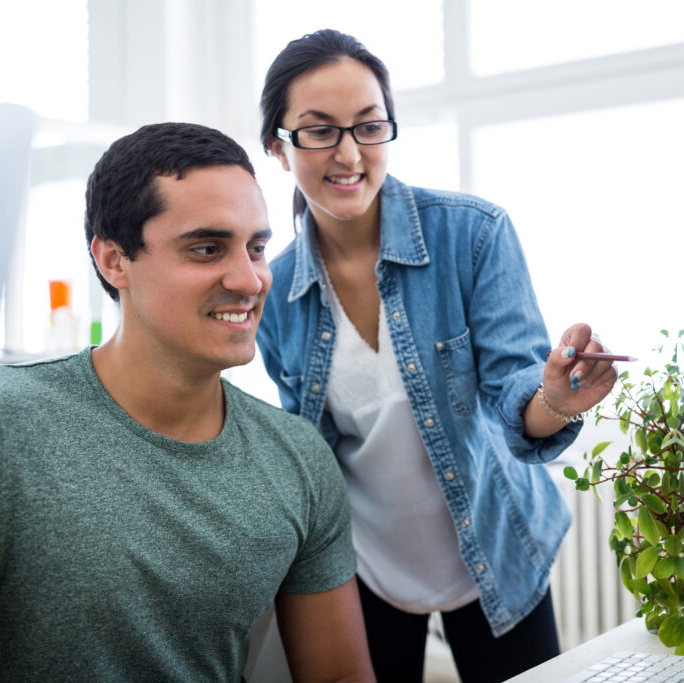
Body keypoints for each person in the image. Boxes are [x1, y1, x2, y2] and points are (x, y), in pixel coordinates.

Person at [0, 122, 374, 682]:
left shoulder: (298, 460)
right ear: (114, 261)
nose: (250, 279)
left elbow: (340, 676)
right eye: (206, 248)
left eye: (258, 248)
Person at [256, 29, 619, 683]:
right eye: (319, 131)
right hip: (366, 565)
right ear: (278, 148)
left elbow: (519, 395)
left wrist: (554, 400)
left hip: (497, 548)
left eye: (369, 127)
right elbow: (306, 449)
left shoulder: (473, 235)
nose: (349, 153)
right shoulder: (274, 291)